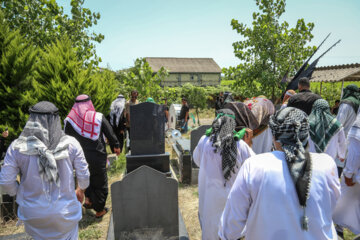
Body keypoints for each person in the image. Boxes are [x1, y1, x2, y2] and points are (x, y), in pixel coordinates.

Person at [219, 107, 340, 240]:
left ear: (275, 135)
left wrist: (227, 236)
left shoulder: (254, 165)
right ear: (306, 134)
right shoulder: (326, 164)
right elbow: (332, 205)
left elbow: (233, 221)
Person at [0, 101, 90, 239]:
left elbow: (6, 182)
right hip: (65, 213)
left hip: (33, 215)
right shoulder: (71, 144)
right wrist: (80, 190)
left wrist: (20, 193)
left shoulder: (16, 147)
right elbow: (84, 176)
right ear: (56, 119)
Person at [193, 109, 255, 240]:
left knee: (210, 230)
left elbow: (197, 160)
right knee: (230, 232)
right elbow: (253, 169)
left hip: (209, 197)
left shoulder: (204, 141)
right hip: (232, 199)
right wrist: (249, 144)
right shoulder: (241, 145)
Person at [64, 94, 120, 218]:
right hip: (97, 156)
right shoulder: (98, 117)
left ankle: (88, 199)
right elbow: (109, 132)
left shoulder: (69, 120)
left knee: (84, 177)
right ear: (89, 103)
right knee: (100, 182)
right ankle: (99, 210)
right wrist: (115, 145)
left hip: (79, 157)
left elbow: (66, 140)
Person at [333, 109, 360, 236]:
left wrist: (349, 174)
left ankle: (338, 225)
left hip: (354, 176)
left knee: (344, 198)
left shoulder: (358, 126)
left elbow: (355, 151)